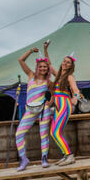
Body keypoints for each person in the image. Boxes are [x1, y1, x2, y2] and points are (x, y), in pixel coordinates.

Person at [15, 41, 56, 171]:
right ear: (37, 67)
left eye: (45, 67)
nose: (43, 68)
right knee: (19, 134)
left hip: (43, 109)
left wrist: (51, 102)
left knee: (43, 134)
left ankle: (44, 158)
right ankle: (23, 159)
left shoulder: (48, 81)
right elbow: (21, 60)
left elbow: (54, 93)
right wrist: (31, 51)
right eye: (41, 66)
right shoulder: (31, 76)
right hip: (30, 109)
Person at [49, 54, 81, 166]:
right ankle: (66, 155)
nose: (65, 63)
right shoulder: (59, 75)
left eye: (68, 62)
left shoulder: (69, 77)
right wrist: (45, 50)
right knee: (53, 133)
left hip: (64, 105)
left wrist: (75, 98)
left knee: (56, 132)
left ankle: (69, 155)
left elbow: (76, 90)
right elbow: (49, 64)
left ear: (71, 66)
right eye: (64, 61)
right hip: (58, 106)